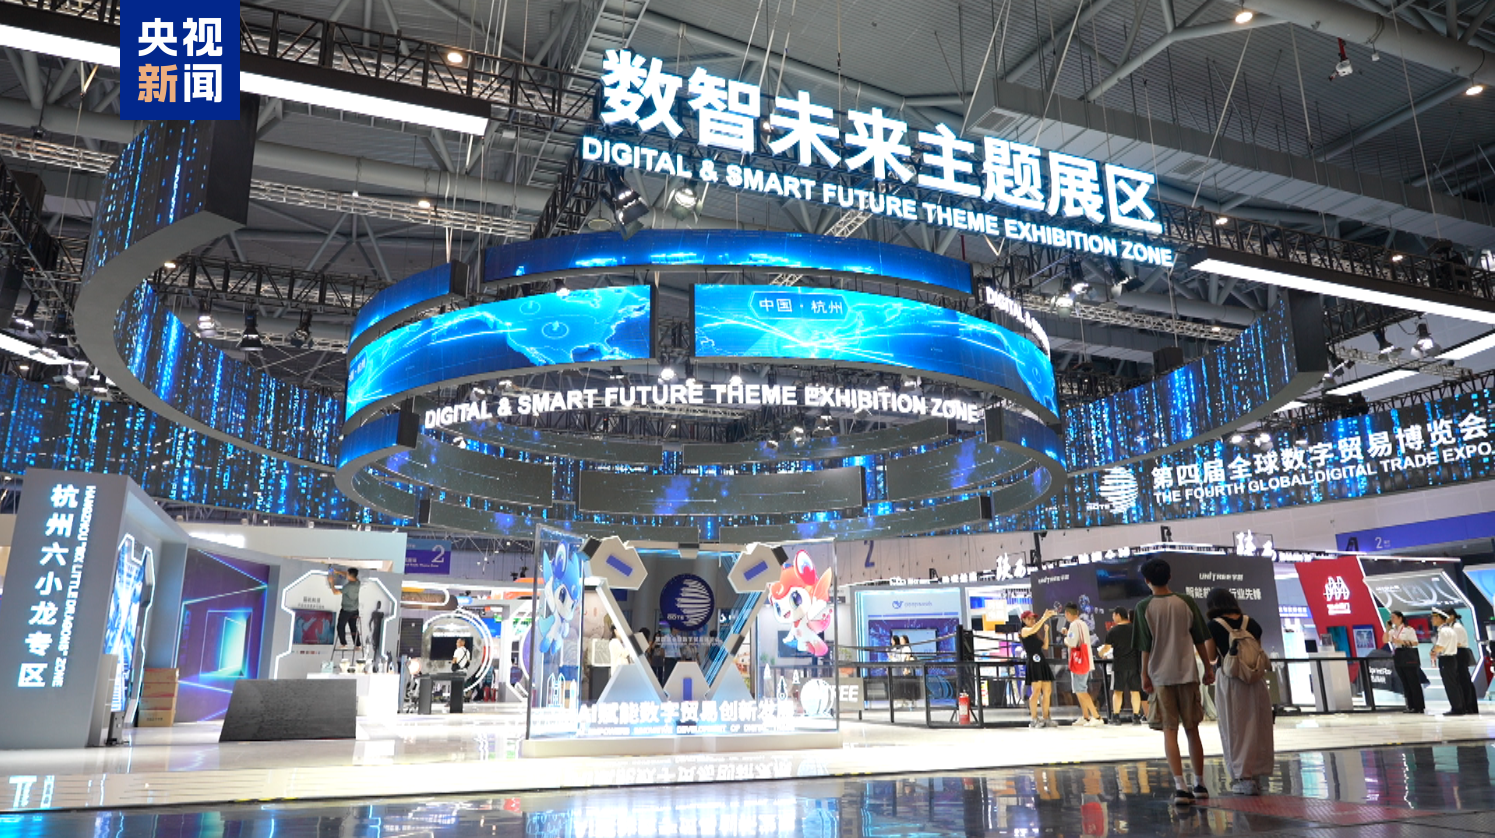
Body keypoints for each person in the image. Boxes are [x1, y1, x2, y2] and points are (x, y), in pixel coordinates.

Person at [1133, 558, 1216, 807]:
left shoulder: (1143, 607)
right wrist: (1207, 667)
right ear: (1169, 577)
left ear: (1147, 580)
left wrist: (1144, 674)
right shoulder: (1186, 602)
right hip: (1187, 673)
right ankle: (1200, 784)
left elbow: (1145, 646)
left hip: (1160, 676)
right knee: (1193, 729)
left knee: (1170, 730)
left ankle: (1180, 787)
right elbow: (1200, 637)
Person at [1204, 588, 1274, 796]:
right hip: (1256, 680)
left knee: (1235, 729)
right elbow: (1257, 652)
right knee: (1258, 728)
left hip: (1231, 681)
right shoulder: (1252, 623)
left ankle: (1243, 778)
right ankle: (1258, 775)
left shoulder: (1213, 626)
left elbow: (1211, 656)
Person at [1100, 607, 1145, 723]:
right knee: (1135, 691)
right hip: (1134, 664)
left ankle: (1116, 717)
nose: (1113, 618)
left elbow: (1107, 648)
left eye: (1114, 615)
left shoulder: (1113, 631)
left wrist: (1100, 653)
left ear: (1118, 615)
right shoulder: (1135, 629)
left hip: (1119, 665)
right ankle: (1136, 717)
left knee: (1118, 691)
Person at [1063, 603, 1104, 726]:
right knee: (1080, 689)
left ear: (1067, 613)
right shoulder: (1082, 624)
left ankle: (1096, 717)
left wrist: (1065, 638)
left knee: (1080, 690)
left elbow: (1071, 643)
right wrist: (1068, 634)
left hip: (1079, 662)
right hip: (1084, 660)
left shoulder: (1073, 625)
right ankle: (1086, 716)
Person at [1020, 610, 1057, 728]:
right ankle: (1034, 719)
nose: (1032, 620)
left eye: (1033, 618)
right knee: (1036, 691)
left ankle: (1046, 717)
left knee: (1047, 690)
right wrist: (1044, 618)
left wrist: (1046, 632)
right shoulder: (1024, 630)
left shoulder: (1035, 632)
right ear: (1024, 620)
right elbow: (1033, 629)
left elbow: (1045, 646)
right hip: (1033, 661)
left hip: (1041, 660)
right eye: (1029, 618)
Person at [1385, 611, 1425, 714]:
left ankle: (1419, 706)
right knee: (1405, 682)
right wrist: (1387, 629)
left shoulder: (1408, 629)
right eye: (1391, 617)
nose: (1392, 619)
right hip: (1398, 655)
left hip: (1408, 655)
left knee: (1413, 682)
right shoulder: (1392, 631)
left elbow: (1415, 642)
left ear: (1400, 618)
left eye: (1393, 617)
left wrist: (1402, 642)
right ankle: (1410, 706)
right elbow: (1385, 640)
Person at [1432, 607, 1469, 715]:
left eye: (1434, 617)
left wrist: (1434, 651)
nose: (1432, 620)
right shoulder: (1449, 629)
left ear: (1439, 618)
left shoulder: (1444, 631)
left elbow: (1440, 647)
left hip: (1446, 659)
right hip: (1452, 658)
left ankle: (1456, 708)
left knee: (1450, 685)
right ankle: (1460, 707)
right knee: (1455, 684)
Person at [1451, 610, 1480, 716]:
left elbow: (1458, 643)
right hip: (1458, 652)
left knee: (1464, 680)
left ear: (1452, 616)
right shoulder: (1453, 626)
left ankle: (1469, 706)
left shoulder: (1457, 627)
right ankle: (1467, 705)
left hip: (1460, 653)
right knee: (1462, 680)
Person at [328, 567, 362, 649]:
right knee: (353, 628)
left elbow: (335, 592)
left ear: (350, 575)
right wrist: (337, 572)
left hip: (346, 610)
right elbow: (347, 574)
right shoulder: (358, 582)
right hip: (355, 610)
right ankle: (358, 645)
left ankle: (344, 644)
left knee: (340, 626)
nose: (346, 575)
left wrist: (332, 582)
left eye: (347, 574)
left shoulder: (348, 586)